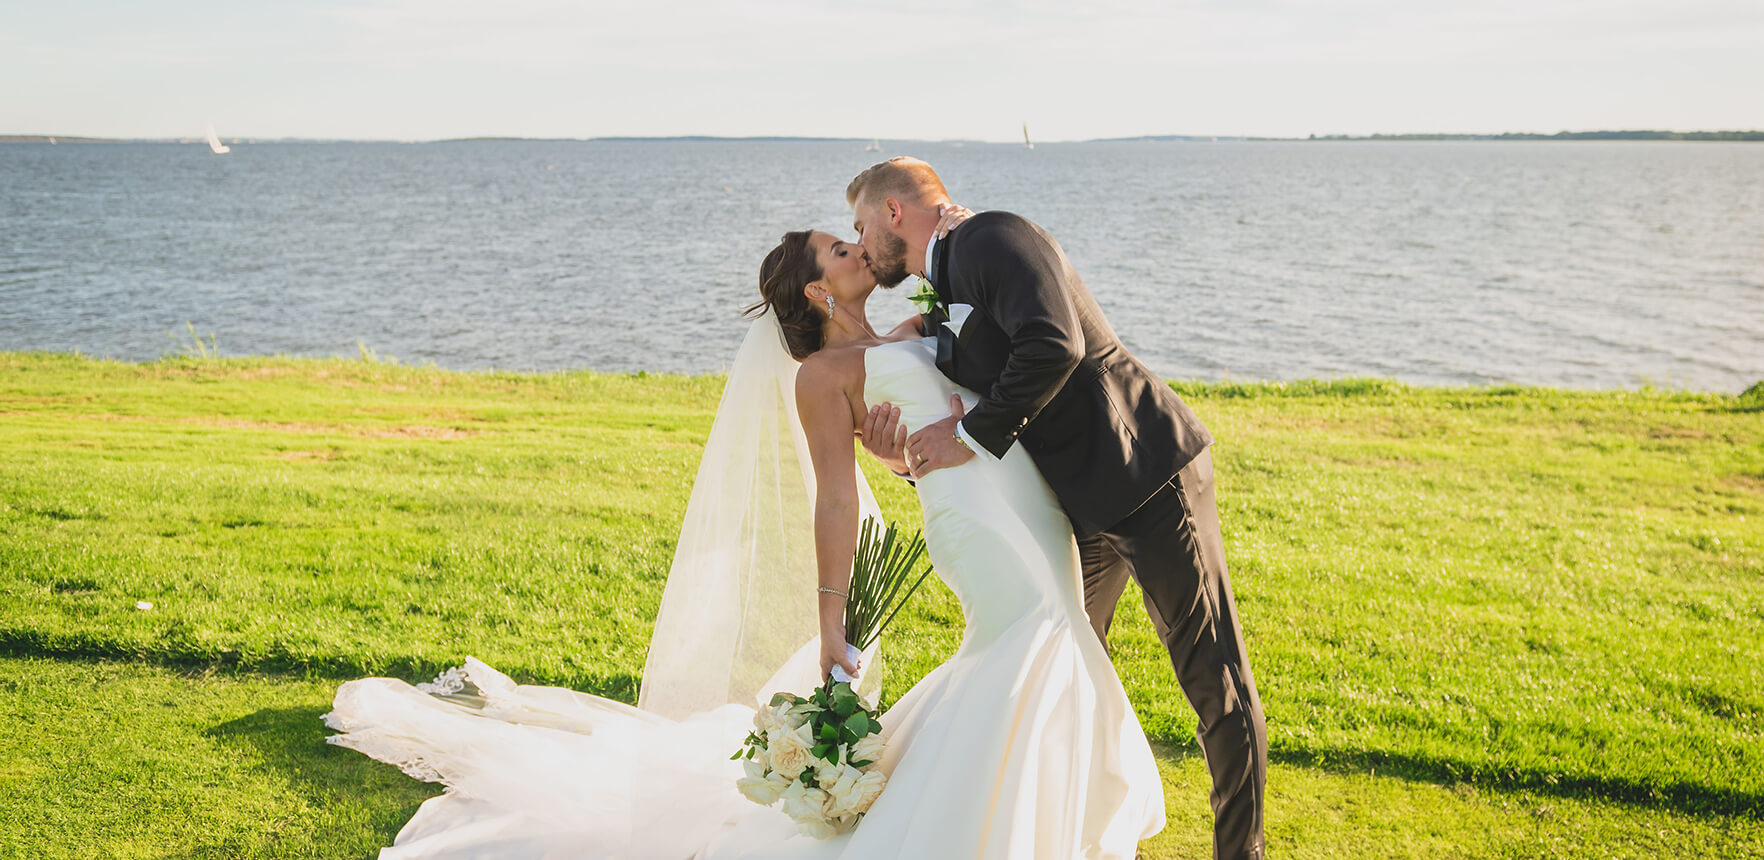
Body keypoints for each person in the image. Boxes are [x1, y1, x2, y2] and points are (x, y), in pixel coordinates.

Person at [322, 205, 1167, 858]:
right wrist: (831, 621)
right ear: (815, 290)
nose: (860, 254)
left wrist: (907, 457)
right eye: (842, 252)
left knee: (1045, 640)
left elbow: (964, 407)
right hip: (977, 531)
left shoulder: (917, 333)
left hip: (1019, 505)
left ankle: (1022, 815)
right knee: (1034, 640)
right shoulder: (822, 377)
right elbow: (834, 499)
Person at [847, 157, 1266, 859]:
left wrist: (966, 436)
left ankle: (1240, 853)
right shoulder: (943, 288)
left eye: (860, 224)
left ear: (895, 211)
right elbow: (983, 393)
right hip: (1079, 507)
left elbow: (1055, 343)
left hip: (1147, 474)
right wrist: (907, 448)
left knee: (1212, 677)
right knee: (1064, 663)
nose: (860, 244)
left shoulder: (991, 237)